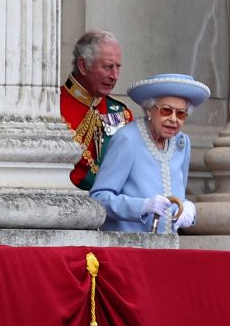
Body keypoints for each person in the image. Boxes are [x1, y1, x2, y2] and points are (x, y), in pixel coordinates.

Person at [90, 73, 211, 233]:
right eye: (166, 111)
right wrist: (142, 206)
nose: (174, 119)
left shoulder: (182, 143)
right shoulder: (128, 139)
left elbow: (177, 196)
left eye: (181, 114)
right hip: (129, 248)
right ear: (149, 110)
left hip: (167, 248)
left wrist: (188, 207)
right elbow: (99, 198)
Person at [60, 29, 135, 190]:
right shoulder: (52, 107)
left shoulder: (121, 113)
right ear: (83, 65)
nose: (114, 75)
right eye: (108, 67)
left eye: (118, 67)